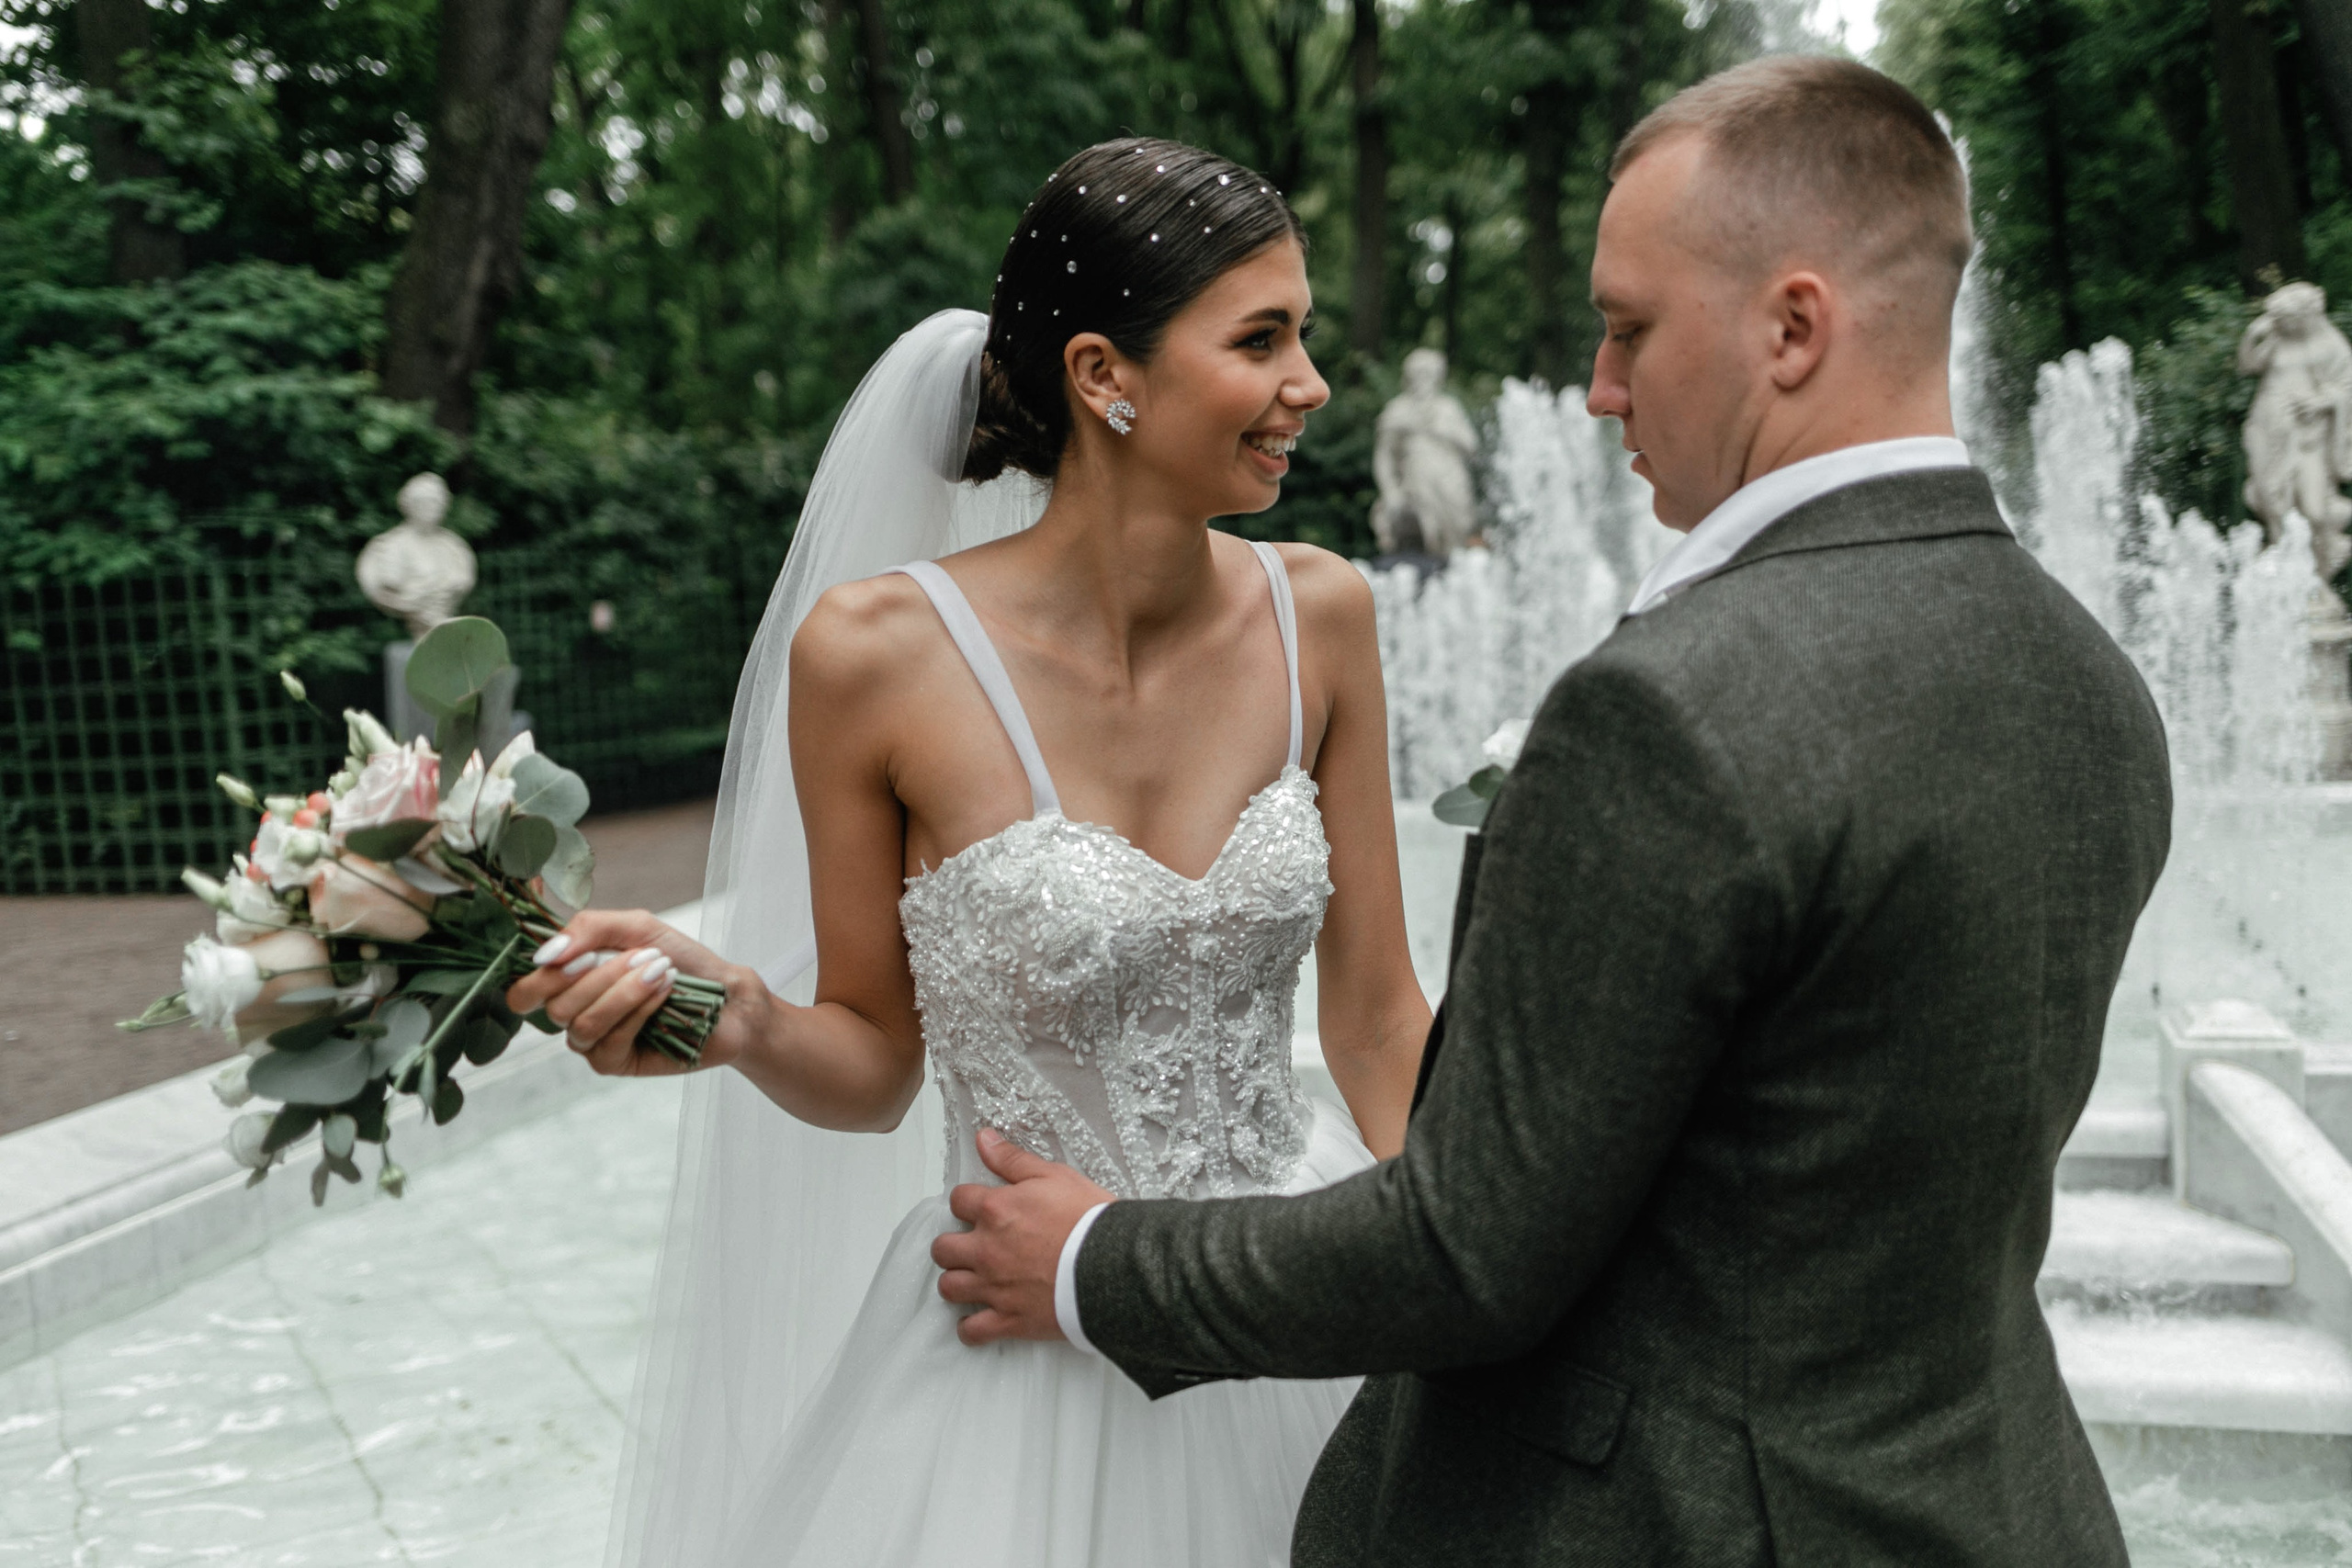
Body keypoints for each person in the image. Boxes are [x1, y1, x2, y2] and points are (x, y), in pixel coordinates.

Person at [936, 57, 2173, 1567]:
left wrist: (1092, 1264)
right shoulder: (2095, 685)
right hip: (1998, 1504)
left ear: (1793, 329)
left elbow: (1466, 1253)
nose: (1598, 385)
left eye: (1632, 327)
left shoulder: (1673, 707)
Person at [505, 137, 1431, 1568]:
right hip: (1017, 1357)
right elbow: (878, 1063)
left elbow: (1375, 1022)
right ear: (1102, 375)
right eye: (1263, 339)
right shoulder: (875, 657)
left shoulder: (1327, 617)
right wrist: (741, 1014)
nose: (1311, 384)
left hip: (1285, 1298)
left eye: (1302, 334)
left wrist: (1475, 1263)